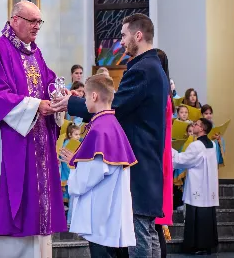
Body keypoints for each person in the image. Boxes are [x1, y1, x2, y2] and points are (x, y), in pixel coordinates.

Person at [53, 13, 169, 257]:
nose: (121, 40)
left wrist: (69, 104)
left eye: (124, 35)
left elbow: (113, 106)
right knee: (147, 231)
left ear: (138, 35)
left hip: (139, 160)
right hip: (147, 159)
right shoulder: (153, 67)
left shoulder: (143, 70)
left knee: (139, 235)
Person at [0, 1, 67, 258]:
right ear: (15, 20)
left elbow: (47, 81)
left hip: (34, 142)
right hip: (7, 143)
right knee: (6, 200)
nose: (37, 27)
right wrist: (35, 106)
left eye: (40, 22)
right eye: (32, 21)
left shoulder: (33, 52)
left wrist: (58, 95)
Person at [64, 74, 137, 257]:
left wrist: (74, 168)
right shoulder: (111, 124)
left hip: (101, 218)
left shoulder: (100, 129)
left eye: (86, 97)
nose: (86, 102)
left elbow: (89, 177)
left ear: (94, 96)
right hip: (111, 215)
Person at [172, 118, 219, 254]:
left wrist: (170, 149)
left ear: (202, 129)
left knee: (196, 215)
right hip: (208, 187)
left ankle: (195, 246)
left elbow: (182, 160)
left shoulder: (196, 145)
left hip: (198, 187)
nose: (194, 126)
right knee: (206, 216)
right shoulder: (212, 144)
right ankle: (207, 245)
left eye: (196, 124)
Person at [154, 49, 174, 258]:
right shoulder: (165, 93)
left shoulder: (161, 96)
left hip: (158, 158)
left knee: (155, 225)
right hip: (161, 156)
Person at [59, 122, 81, 225]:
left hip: (65, 175)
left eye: (79, 134)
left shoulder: (65, 143)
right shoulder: (72, 144)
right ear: (70, 135)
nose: (78, 136)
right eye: (76, 134)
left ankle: (67, 220)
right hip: (69, 174)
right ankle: (70, 220)